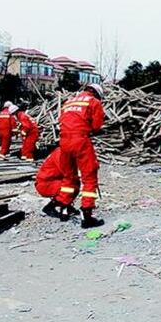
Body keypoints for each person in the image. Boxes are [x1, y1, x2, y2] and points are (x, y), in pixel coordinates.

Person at [53, 84, 105, 228]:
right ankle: (86, 214)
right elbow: (97, 125)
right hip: (80, 140)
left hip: (64, 141)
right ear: (96, 93)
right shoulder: (94, 102)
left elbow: (61, 120)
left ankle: (64, 208)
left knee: (69, 176)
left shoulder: (69, 102)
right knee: (89, 176)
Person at [35, 147, 80, 221]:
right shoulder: (62, 155)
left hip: (53, 181)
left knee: (75, 183)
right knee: (70, 186)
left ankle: (64, 206)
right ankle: (55, 207)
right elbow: (68, 177)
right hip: (46, 184)